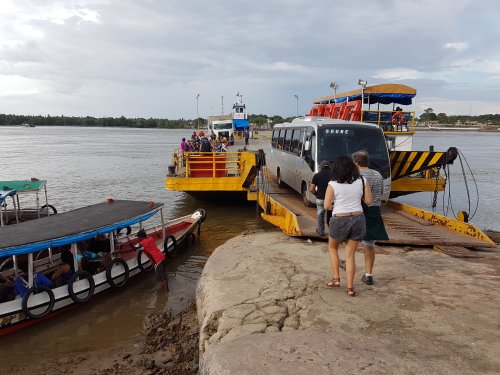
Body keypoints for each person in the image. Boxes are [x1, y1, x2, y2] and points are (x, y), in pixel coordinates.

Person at [324, 156, 372, 297]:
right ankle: (350, 288)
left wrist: (337, 205)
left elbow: (327, 205)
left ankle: (336, 279)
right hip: (358, 218)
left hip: (340, 218)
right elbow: (368, 201)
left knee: (333, 248)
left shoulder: (332, 184)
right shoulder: (363, 181)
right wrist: (357, 197)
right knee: (350, 255)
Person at [352, 150, 388, 285]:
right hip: (374, 211)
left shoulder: (355, 176)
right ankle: (368, 274)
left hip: (357, 210)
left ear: (356, 163)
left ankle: (348, 264)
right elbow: (381, 193)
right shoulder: (378, 175)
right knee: (369, 244)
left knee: (352, 241)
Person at [309, 160, 332, 236]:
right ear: (329, 166)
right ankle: (332, 232)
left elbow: (312, 189)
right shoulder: (334, 175)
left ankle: (321, 231)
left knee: (320, 215)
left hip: (320, 198)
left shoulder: (317, 175)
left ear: (321, 167)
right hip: (331, 200)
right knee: (331, 216)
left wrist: (316, 194)